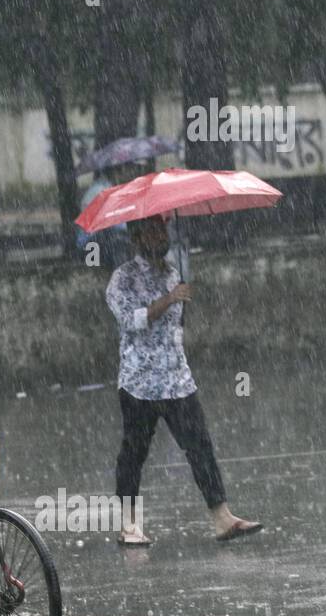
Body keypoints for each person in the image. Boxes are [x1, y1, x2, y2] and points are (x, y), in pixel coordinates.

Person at [105, 215, 261, 545]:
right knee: (134, 453)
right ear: (136, 238)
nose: (161, 235)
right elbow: (132, 321)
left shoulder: (174, 272)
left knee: (200, 446)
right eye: (153, 230)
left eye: (163, 229)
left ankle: (222, 517)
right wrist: (169, 299)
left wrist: (177, 300)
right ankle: (129, 525)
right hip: (140, 383)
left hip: (177, 379)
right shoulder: (123, 279)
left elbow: (175, 326)